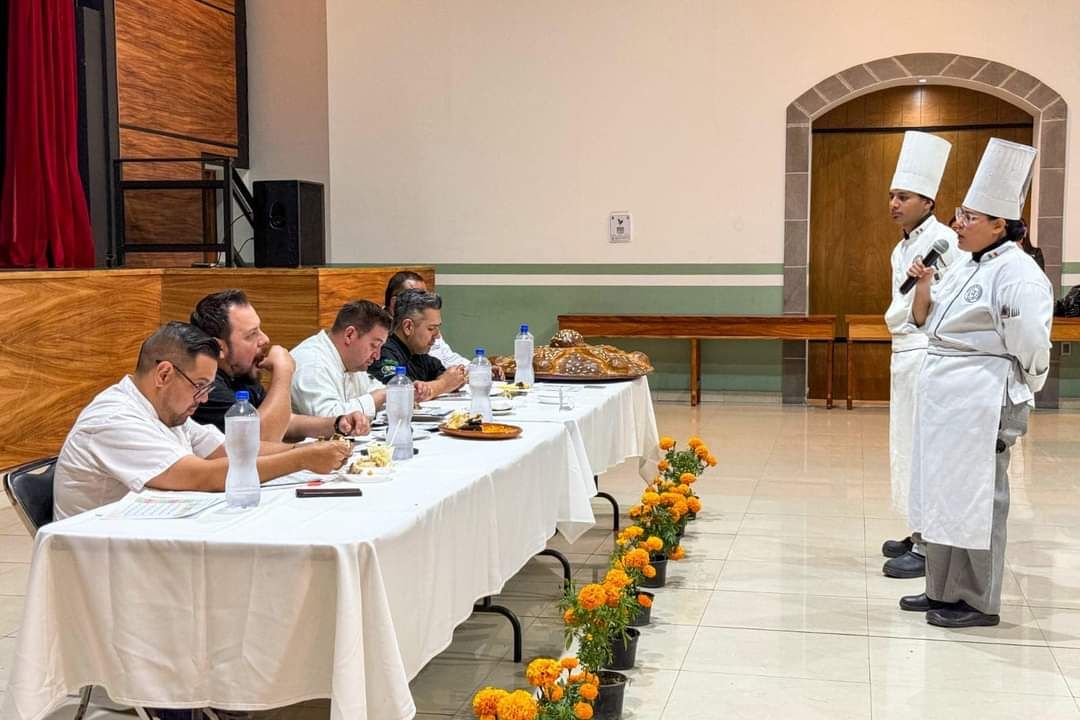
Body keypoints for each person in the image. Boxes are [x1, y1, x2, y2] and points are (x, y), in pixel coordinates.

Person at [901, 138, 1053, 628]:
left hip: (984, 397)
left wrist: (1022, 390)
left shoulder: (1018, 273)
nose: (958, 224)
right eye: (959, 215)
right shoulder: (968, 263)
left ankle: (977, 600)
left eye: (969, 217)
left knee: (979, 497)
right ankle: (942, 589)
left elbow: (1031, 344)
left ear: (999, 224)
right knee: (944, 491)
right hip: (948, 395)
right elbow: (929, 321)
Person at [53, 322, 351, 520]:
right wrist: (301, 459)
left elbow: (232, 449)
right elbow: (202, 476)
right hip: (100, 555)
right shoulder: (114, 418)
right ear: (164, 374)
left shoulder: (168, 411)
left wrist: (315, 449)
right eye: (199, 386)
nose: (204, 398)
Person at [881, 131, 965, 580]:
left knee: (924, 447)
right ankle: (916, 527)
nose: (894, 203)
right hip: (904, 352)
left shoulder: (944, 243)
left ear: (928, 202)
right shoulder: (902, 245)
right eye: (892, 195)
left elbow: (940, 305)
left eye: (904, 196)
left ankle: (930, 541)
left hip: (926, 352)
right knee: (907, 444)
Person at [189, 289, 369, 440]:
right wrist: (283, 371)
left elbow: (284, 422)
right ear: (219, 348)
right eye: (252, 334)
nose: (265, 339)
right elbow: (260, 439)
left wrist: (338, 424)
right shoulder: (205, 387)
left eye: (260, 330)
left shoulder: (241, 373)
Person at [383, 270, 505, 380]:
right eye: (416, 295)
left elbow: (448, 360)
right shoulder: (382, 341)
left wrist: (476, 371)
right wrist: (443, 384)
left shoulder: (421, 352)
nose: (436, 335)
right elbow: (397, 388)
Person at [290, 300, 396, 418]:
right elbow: (328, 419)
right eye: (374, 345)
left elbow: (373, 389)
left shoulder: (352, 362)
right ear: (349, 335)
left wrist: (399, 393)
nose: (377, 356)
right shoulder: (312, 363)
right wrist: (380, 397)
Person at [371, 289, 467, 398]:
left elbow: (443, 374)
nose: (437, 335)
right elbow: (398, 393)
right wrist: (443, 384)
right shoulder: (383, 351)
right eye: (431, 328)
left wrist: (455, 379)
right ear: (408, 327)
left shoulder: (418, 352)